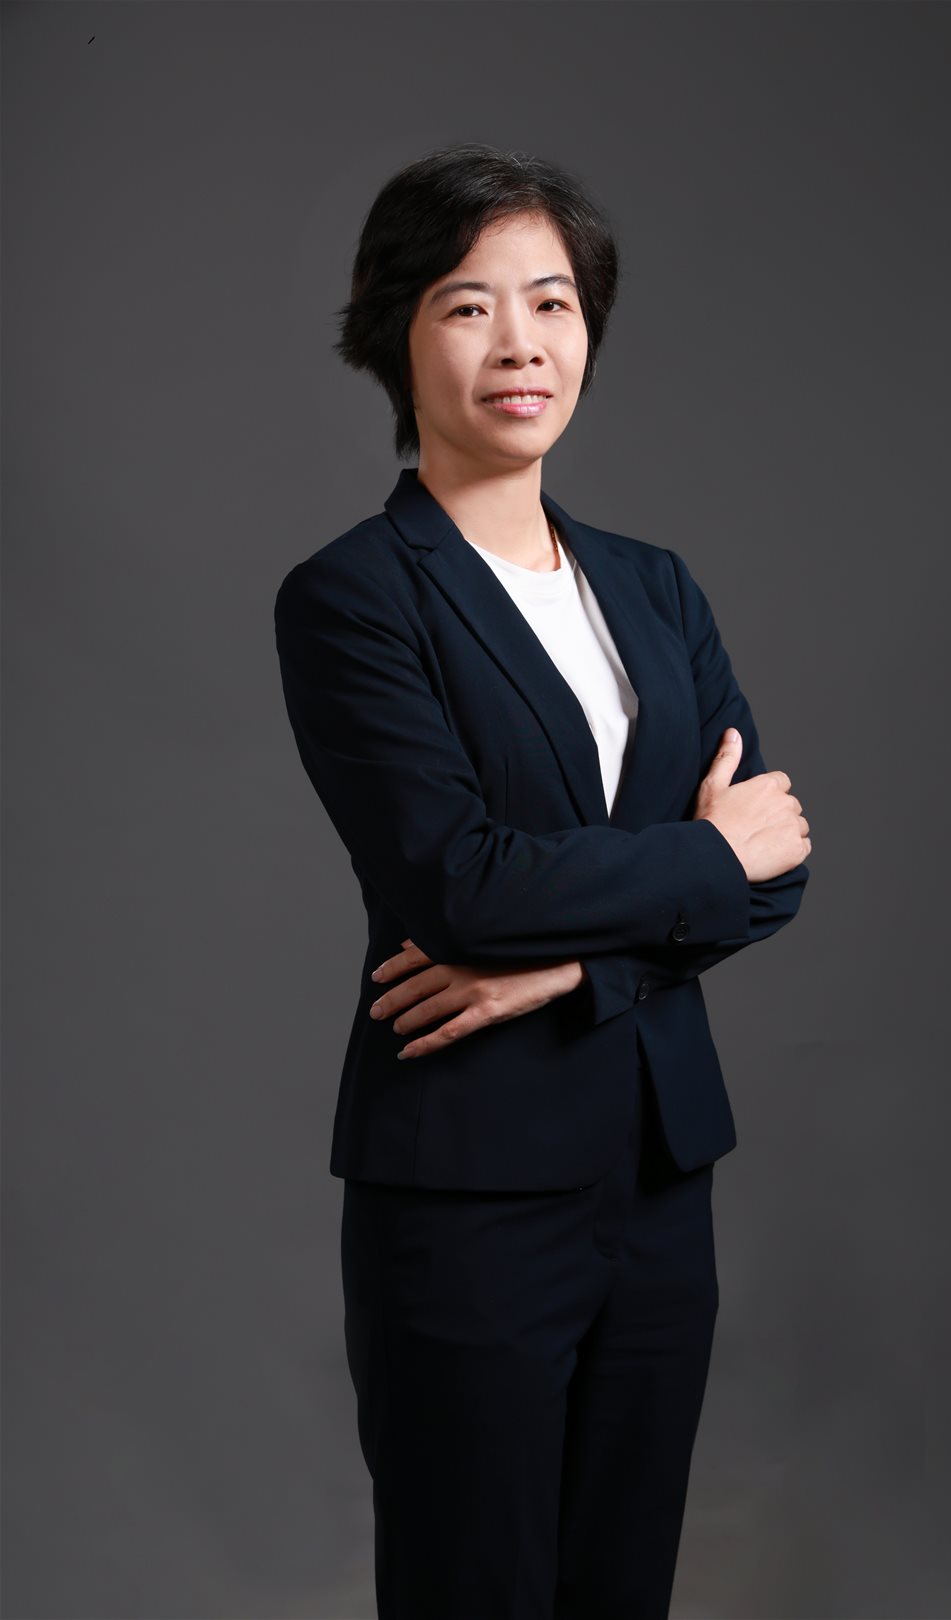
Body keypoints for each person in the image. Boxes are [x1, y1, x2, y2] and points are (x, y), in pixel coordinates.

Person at [274, 142, 812, 1620]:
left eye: (553, 303)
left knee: (620, 1591)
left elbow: (778, 869)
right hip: (467, 1195)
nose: (522, 344)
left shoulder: (656, 586)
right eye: (470, 305)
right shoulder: (352, 597)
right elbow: (464, 884)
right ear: (396, 335)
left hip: (659, 1182)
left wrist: (576, 965)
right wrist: (702, 861)